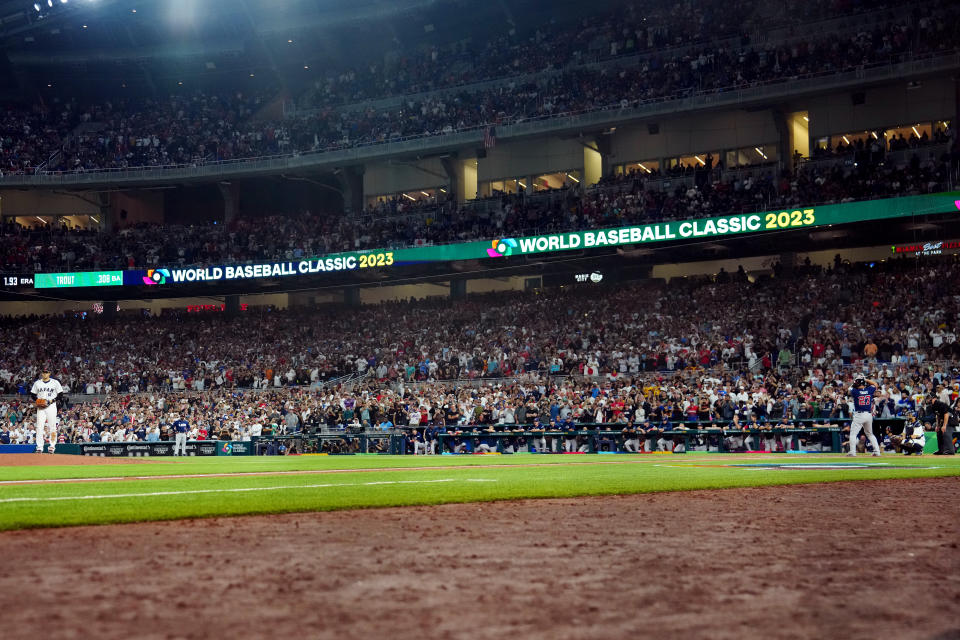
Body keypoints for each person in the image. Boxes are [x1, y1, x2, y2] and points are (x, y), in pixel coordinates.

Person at [30, 367, 63, 454]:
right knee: (39, 427)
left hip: (51, 406)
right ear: (42, 373)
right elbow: (33, 394)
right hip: (41, 407)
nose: (45, 374)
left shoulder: (55, 382)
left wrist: (52, 400)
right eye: (43, 372)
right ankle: (39, 447)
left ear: (49, 373)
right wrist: (37, 400)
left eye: (46, 372)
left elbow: (60, 394)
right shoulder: (37, 383)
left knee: (52, 427)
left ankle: (52, 446)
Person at [847, 377, 881, 457]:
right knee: (870, 434)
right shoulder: (869, 389)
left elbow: (849, 389)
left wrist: (857, 381)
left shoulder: (855, 391)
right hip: (868, 415)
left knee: (853, 434)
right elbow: (875, 384)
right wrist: (865, 379)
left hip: (859, 415)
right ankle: (877, 451)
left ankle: (852, 452)